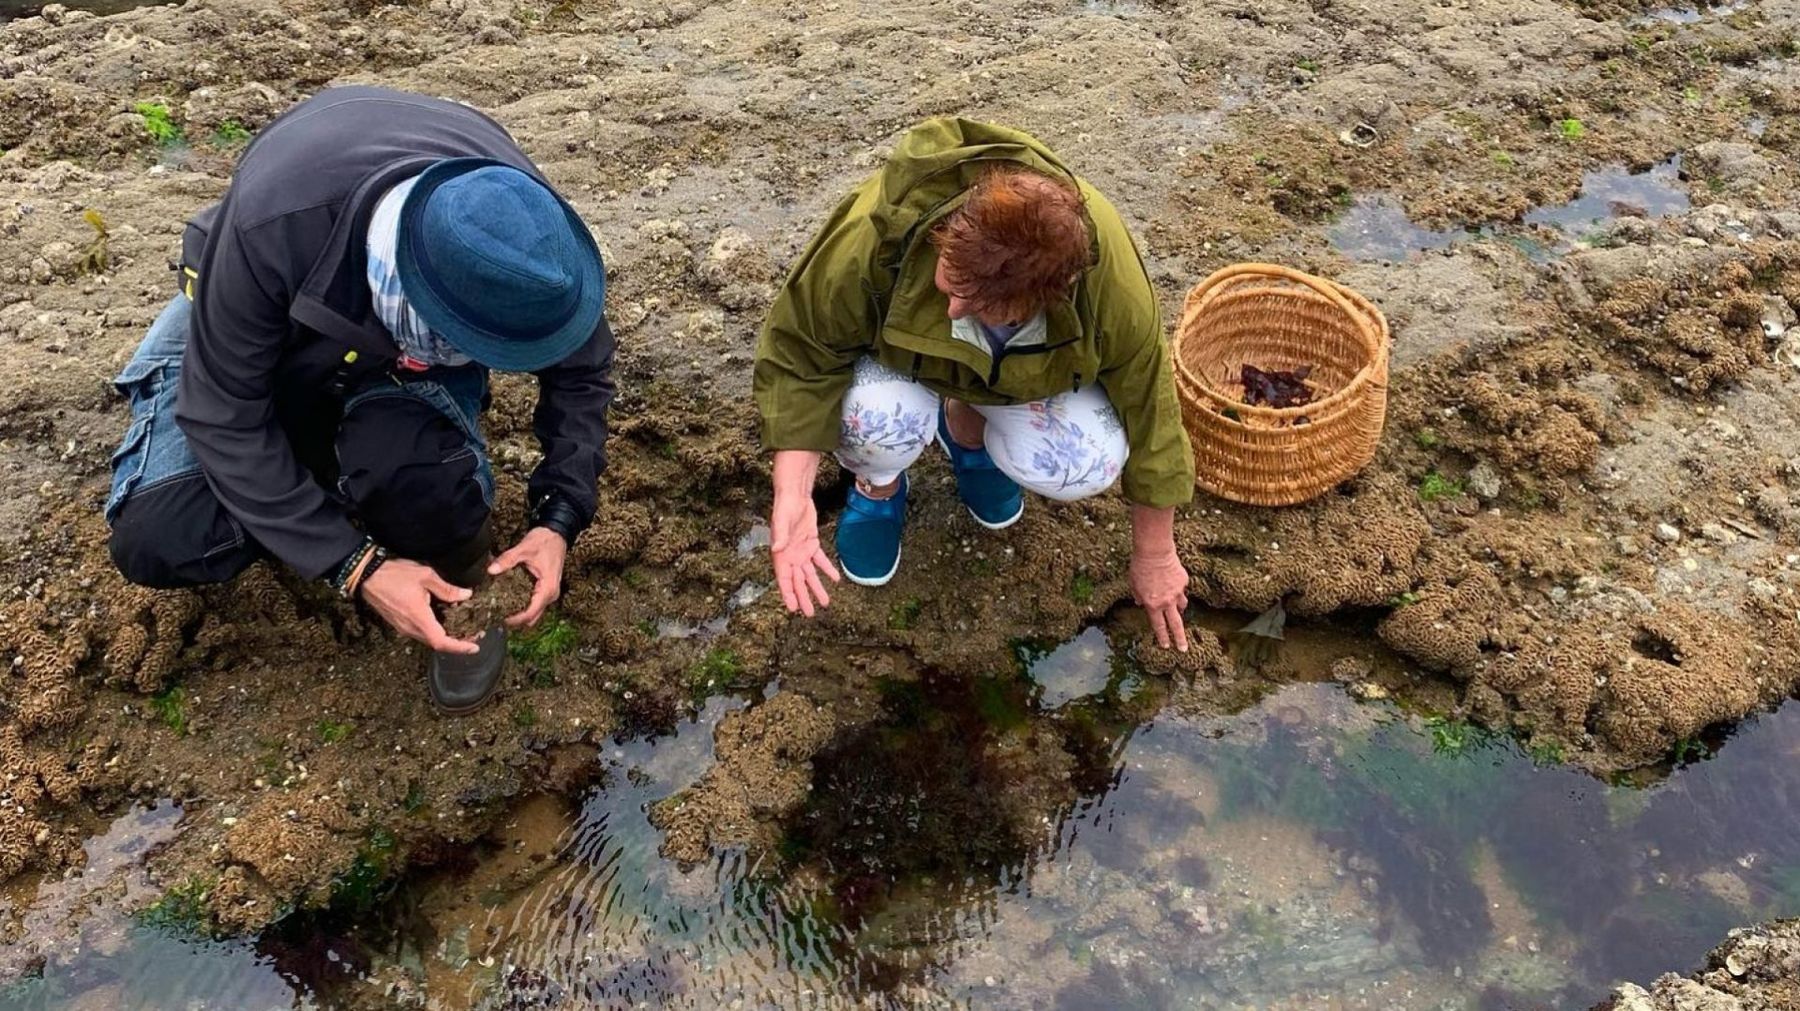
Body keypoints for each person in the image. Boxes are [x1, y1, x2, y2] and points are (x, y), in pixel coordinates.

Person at [104, 86, 615, 713]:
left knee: (414, 473)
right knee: (164, 534)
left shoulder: (528, 247)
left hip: (385, 348)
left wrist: (559, 517)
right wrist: (353, 565)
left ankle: (459, 580)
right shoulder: (274, 227)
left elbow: (583, 372)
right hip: (262, 311)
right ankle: (319, 479)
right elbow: (223, 416)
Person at [754, 118, 1196, 650]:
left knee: (1088, 461)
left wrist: (1155, 554)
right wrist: (793, 494)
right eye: (948, 282)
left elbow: (1151, 409)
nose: (953, 308)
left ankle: (964, 431)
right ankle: (879, 485)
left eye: (980, 303)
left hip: (1014, 378)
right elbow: (801, 351)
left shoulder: (1108, 287)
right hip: (896, 366)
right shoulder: (876, 235)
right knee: (874, 420)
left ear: (1050, 294)